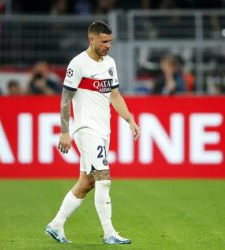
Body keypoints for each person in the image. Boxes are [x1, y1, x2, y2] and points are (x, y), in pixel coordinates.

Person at [45, 20, 140, 245]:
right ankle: (109, 233)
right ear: (92, 39)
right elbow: (65, 99)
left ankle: (56, 225)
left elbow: (114, 96)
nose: (108, 46)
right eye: (104, 41)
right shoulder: (78, 64)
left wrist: (129, 119)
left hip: (103, 130)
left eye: (110, 42)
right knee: (104, 178)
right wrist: (65, 131)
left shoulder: (110, 63)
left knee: (87, 182)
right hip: (86, 129)